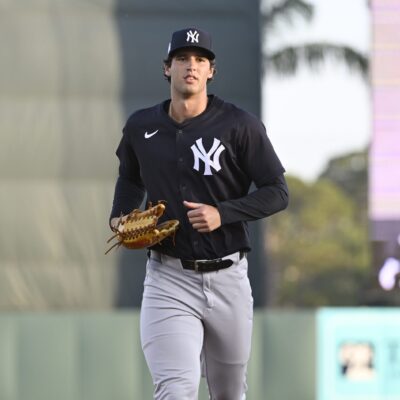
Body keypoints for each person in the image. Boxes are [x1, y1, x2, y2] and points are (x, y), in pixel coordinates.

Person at [109, 27, 289, 400]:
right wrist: (120, 215)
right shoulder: (141, 126)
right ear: (167, 68)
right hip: (167, 279)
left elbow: (277, 193)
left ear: (211, 72)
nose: (191, 66)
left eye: (200, 60)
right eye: (182, 59)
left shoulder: (240, 126)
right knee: (176, 390)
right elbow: (129, 177)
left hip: (228, 278)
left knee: (228, 393)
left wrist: (223, 213)